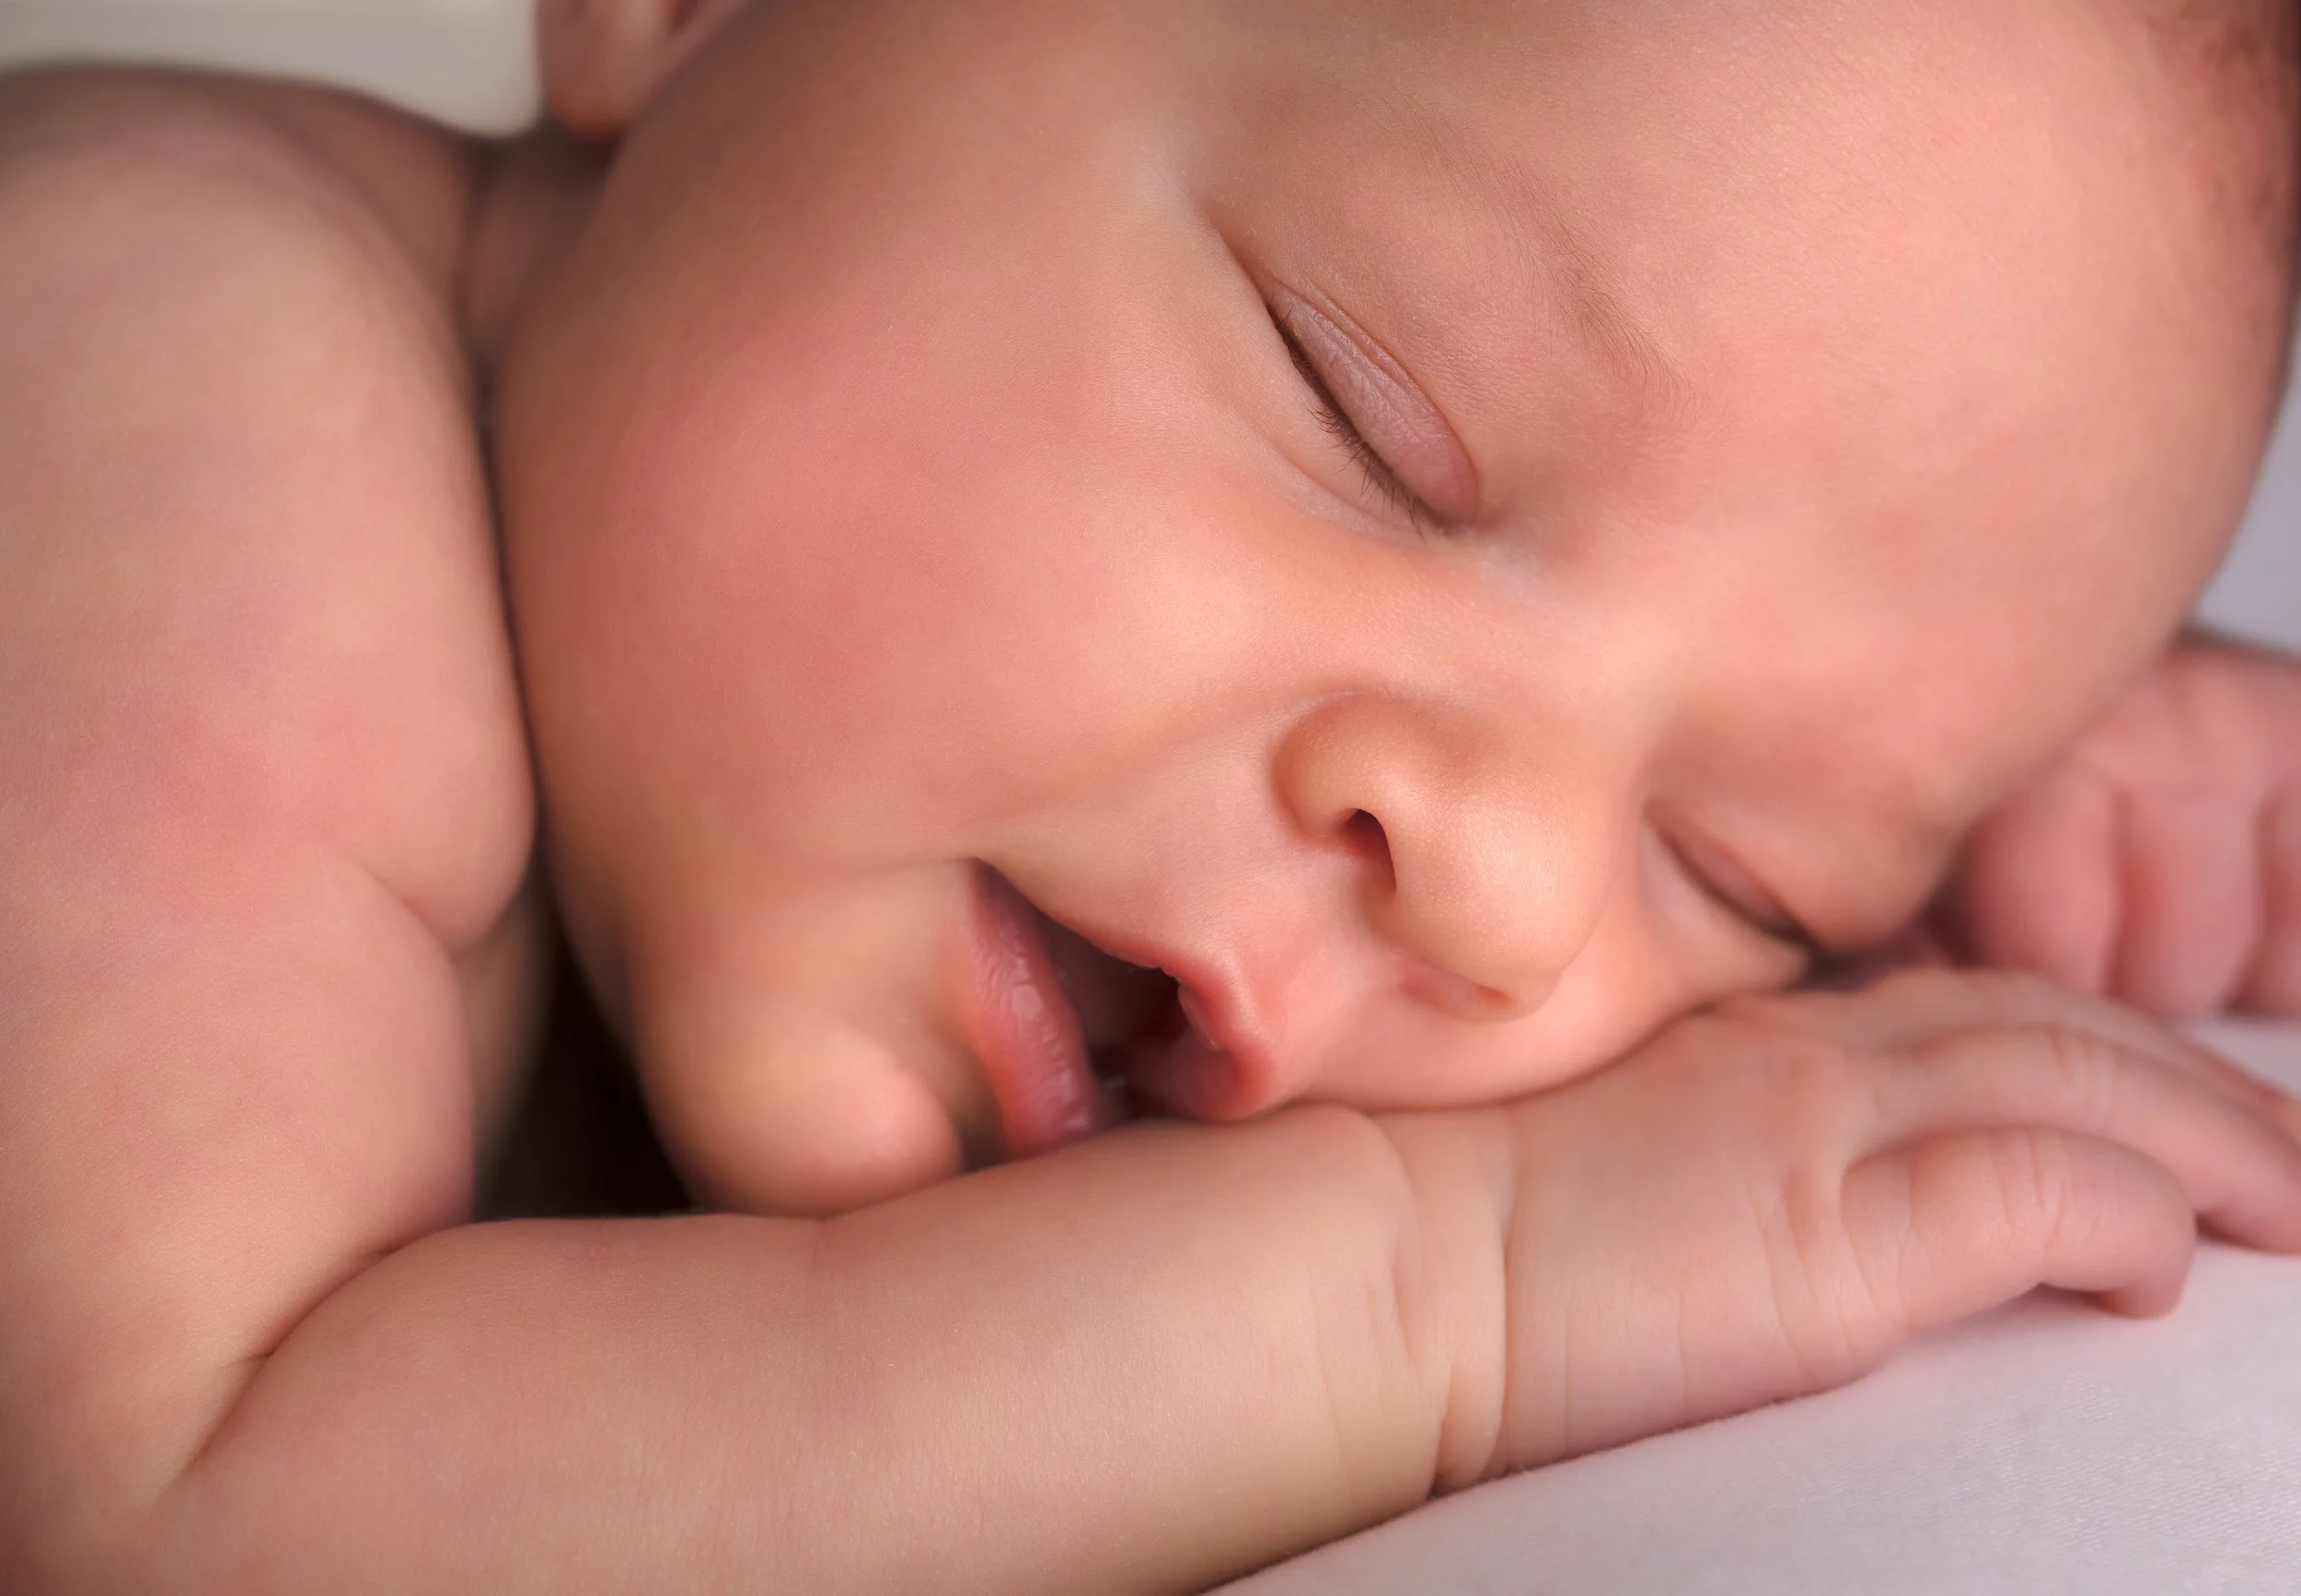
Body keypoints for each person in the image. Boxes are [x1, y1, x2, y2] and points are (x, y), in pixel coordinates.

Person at [2, 1, 2298, 1590]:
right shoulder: (146, 367)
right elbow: (177, 1525)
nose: (1499, 888)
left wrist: (1999, 830)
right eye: (1372, 412)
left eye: (1736, 869)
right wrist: (1457, 1291)